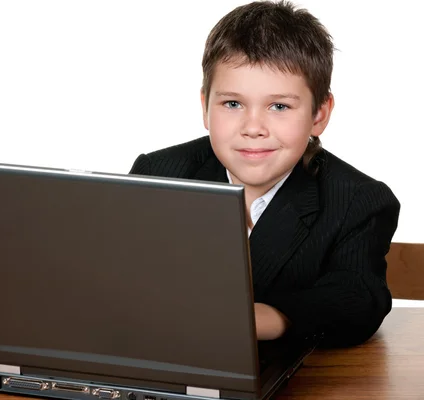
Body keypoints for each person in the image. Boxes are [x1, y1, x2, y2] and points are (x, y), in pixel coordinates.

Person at [129, 0, 400, 348]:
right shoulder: (157, 175)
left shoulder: (358, 201)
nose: (253, 127)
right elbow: (120, 279)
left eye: (279, 106)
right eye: (232, 104)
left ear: (319, 114)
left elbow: (358, 299)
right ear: (205, 108)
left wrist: (269, 318)